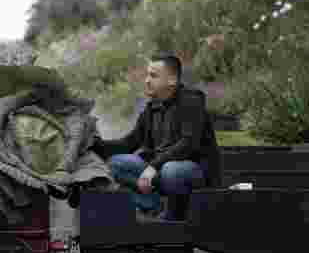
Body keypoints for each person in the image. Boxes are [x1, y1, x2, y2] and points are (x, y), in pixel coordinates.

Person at [93, 53, 222, 221]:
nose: (147, 80)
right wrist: (94, 145)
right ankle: (154, 206)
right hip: (158, 171)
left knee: (172, 170)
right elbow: (128, 143)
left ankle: (175, 216)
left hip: (194, 173)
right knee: (116, 163)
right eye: (147, 75)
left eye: (153, 75)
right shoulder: (151, 108)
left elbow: (188, 144)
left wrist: (152, 167)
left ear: (172, 80)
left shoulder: (191, 101)